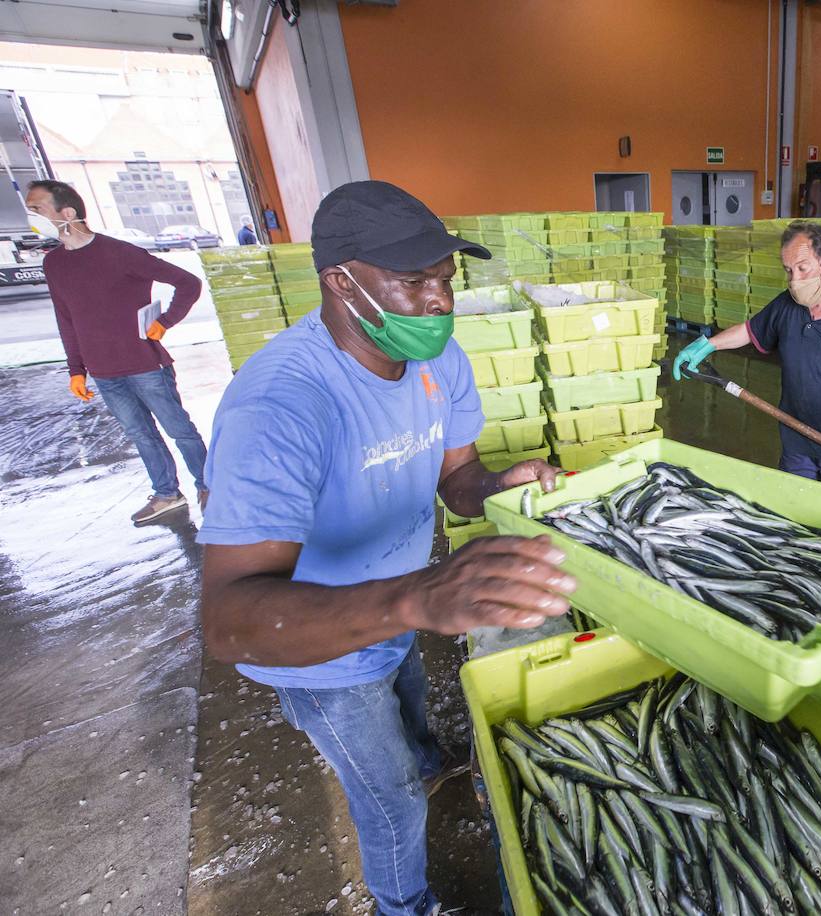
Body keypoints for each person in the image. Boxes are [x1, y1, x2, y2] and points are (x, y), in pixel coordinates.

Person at [197, 180, 576, 916]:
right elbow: (227, 618)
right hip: (321, 650)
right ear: (341, 282)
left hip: (397, 607)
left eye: (445, 279)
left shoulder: (441, 359)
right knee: (392, 801)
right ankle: (405, 904)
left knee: (412, 715)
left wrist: (504, 483)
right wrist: (416, 596)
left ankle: (429, 761)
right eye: (413, 282)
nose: (439, 301)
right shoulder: (281, 405)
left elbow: (458, 478)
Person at [27, 179, 210, 525]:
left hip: (146, 366)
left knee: (179, 430)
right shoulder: (54, 264)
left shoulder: (120, 253)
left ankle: (209, 487)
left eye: (37, 209)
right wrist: (76, 369)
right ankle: (167, 493)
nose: (32, 217)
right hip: (104, 371)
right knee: (141, 435)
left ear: (67, 213)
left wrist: (165, 322)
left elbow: (188, 283)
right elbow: (66, 318)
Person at [672, 220, 821, 486]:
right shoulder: (787, 305)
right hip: (797, 443)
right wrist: (707, 345)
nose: (795, 281)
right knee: (793, 514)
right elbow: (749, 330)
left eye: (803, 269)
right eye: (789, 271)